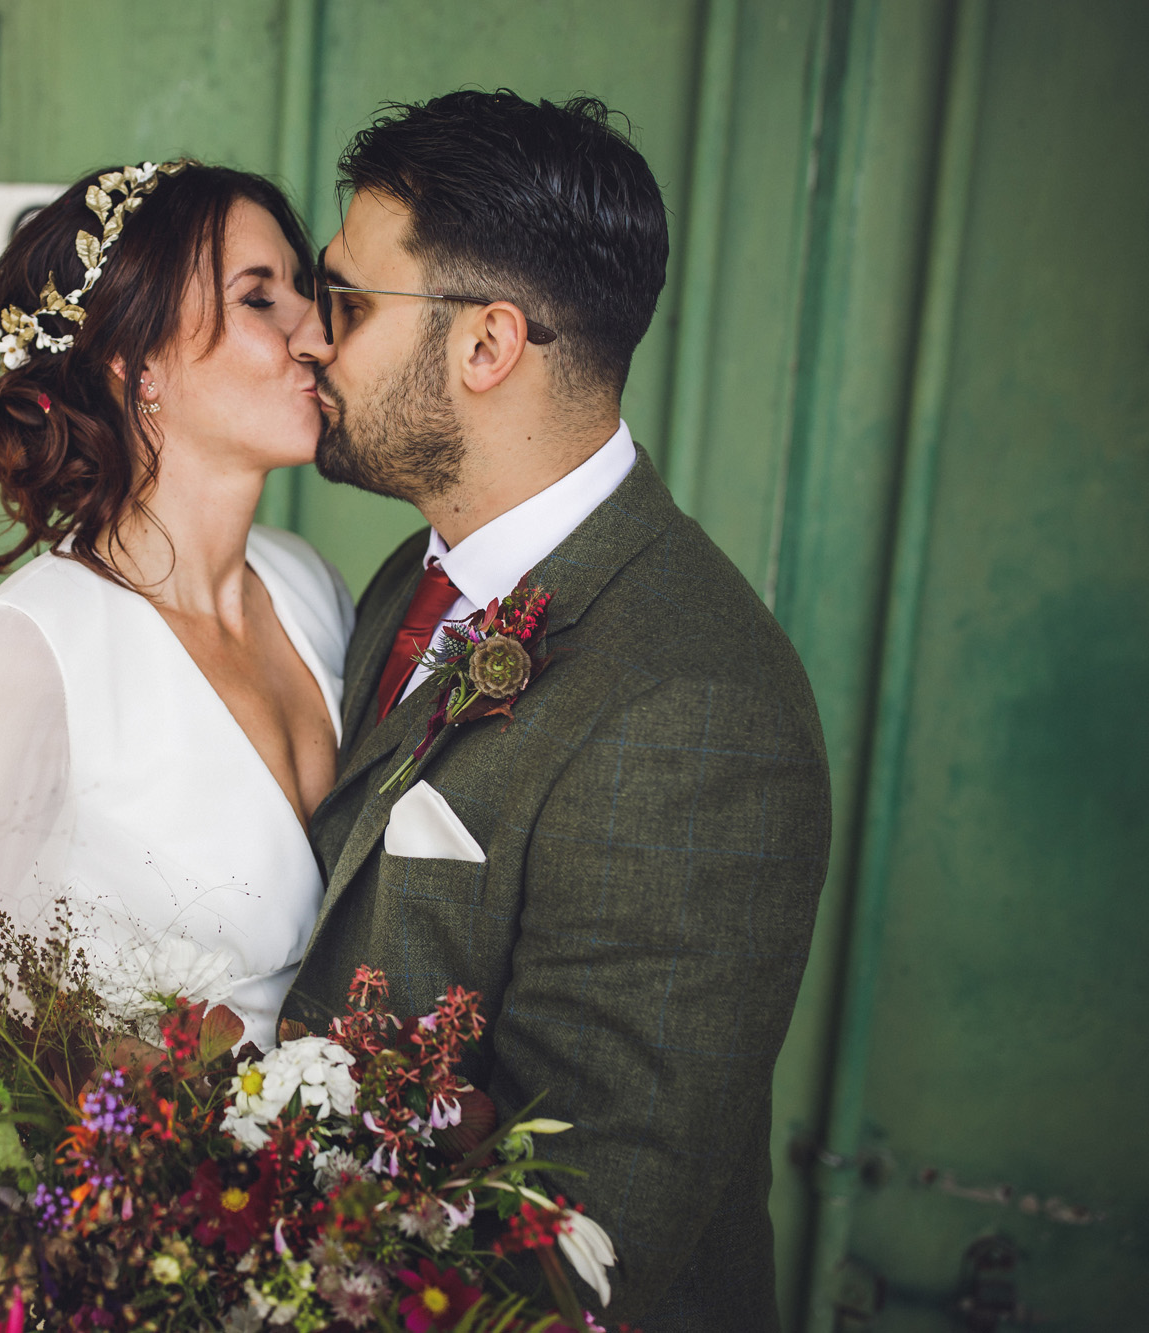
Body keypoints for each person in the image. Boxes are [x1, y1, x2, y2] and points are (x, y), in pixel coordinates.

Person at [281, 92, 832, 1329]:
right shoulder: (409, 580)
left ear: (485, 347)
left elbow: (584, 1233)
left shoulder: (697, 705)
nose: (311, 342)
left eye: (348, 305)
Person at [0, 161, 352, 1052]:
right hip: (147, 1179)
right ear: (136, 363)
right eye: (260, 299)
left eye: (304, 290)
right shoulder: (29, 655)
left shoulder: (309, 587)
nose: (318, 333)